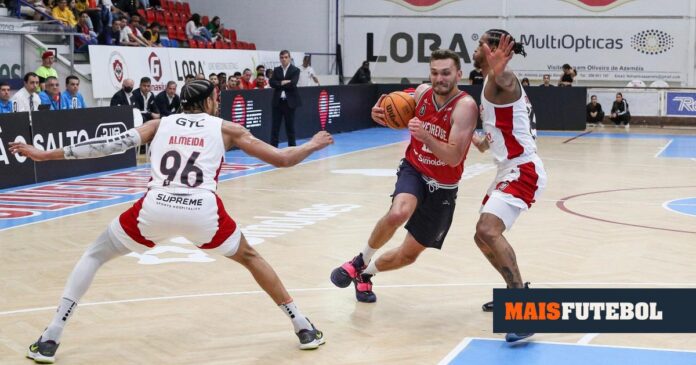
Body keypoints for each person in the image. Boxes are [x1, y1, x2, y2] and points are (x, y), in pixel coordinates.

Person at [11, 80, 333, 365]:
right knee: (250, 257)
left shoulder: (158, 124)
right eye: (215, 97)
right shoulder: (226, 128)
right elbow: (282, 159)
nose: (217, 102)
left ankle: (52, 336)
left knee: (94, 254)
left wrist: (43, 154)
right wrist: (312, 145)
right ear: (208, 101)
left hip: (156, 208)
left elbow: (105, 146)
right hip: (202, 211)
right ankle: (302, 325)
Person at [330, 49, 478, 308]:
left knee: (408, 256)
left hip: (443, 186)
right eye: (434, 72)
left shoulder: (465, 107)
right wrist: (382, 112)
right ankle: (359, 261)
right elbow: (394, 103)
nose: (439, 78)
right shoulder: (422, 93)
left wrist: (426, 136)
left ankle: (366, 274)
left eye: (446, 73)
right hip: (415, 169)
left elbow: (453, 157)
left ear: (458, 74)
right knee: (399, 213)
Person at [469, 30, 547, 343]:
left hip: (523, 168)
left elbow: (505, 82)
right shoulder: (492, 82)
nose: (475, 50)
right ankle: (514, 291)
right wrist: (483, 142)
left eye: (479, 45)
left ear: (493, 50)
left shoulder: (504, 79)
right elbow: (503, 126)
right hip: (507, 168)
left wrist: (499, 67)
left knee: (489, 229)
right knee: (480, 236)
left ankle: (523, 306)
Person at [269, 50, 301, 147]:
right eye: (282, 57)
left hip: (289, 102)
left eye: (286, 57)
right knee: (275, 126)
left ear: (289, 58)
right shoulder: (276, 70)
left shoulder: (295, 70)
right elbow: (271, 83)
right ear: (280, 59)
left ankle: (292, 148)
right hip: (278, 102)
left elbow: (293, 84)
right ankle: (273, 148)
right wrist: (282, 82)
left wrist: (279, 84)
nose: (284, 59)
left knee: (290, 127)